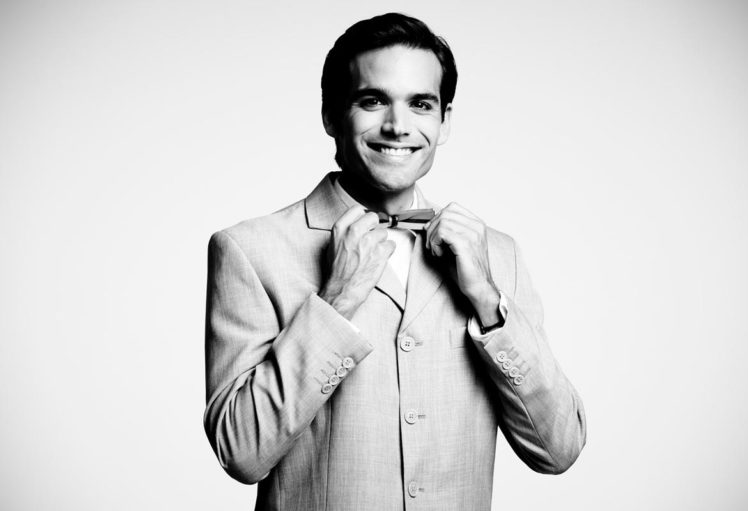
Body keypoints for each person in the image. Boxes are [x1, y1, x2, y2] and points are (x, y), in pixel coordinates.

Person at [204, 12, 586, 510]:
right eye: (373, 100)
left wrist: (487, 301)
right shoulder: (250, 250)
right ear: (330, 115)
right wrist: (335, 303)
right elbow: (240, 453)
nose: (397, 126)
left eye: (420, 104)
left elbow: (559, 450)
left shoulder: (498, 254)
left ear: (444, 121)